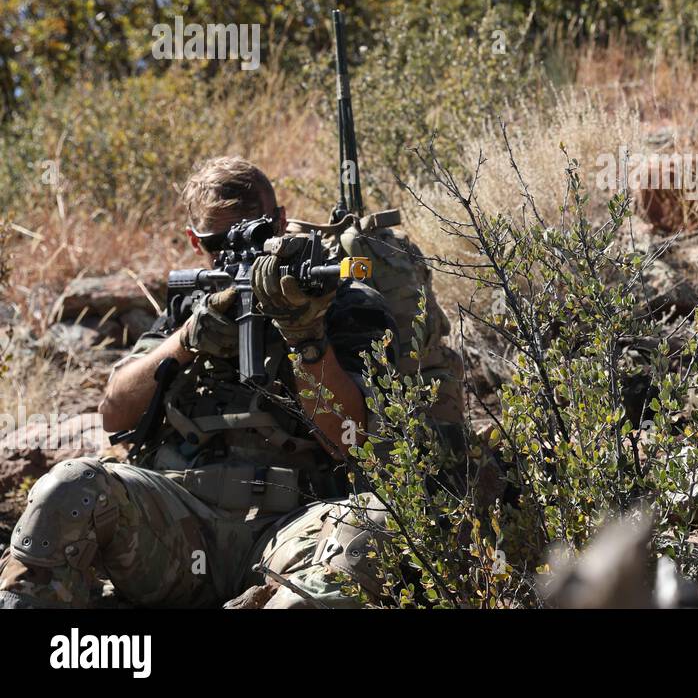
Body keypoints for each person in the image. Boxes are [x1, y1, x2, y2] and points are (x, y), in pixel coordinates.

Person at [0, 156, 434, 608]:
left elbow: (357, 437)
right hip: (176, 528)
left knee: (371, 527)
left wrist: (306, 335)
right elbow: (114, 412)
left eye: (257, 231)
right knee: (69, 486)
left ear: (281, 221)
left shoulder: (346, 303)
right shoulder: (188, 308)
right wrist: (186, 340)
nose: (237, 251)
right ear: (194, 241)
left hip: (294, 525)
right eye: (218, 241)